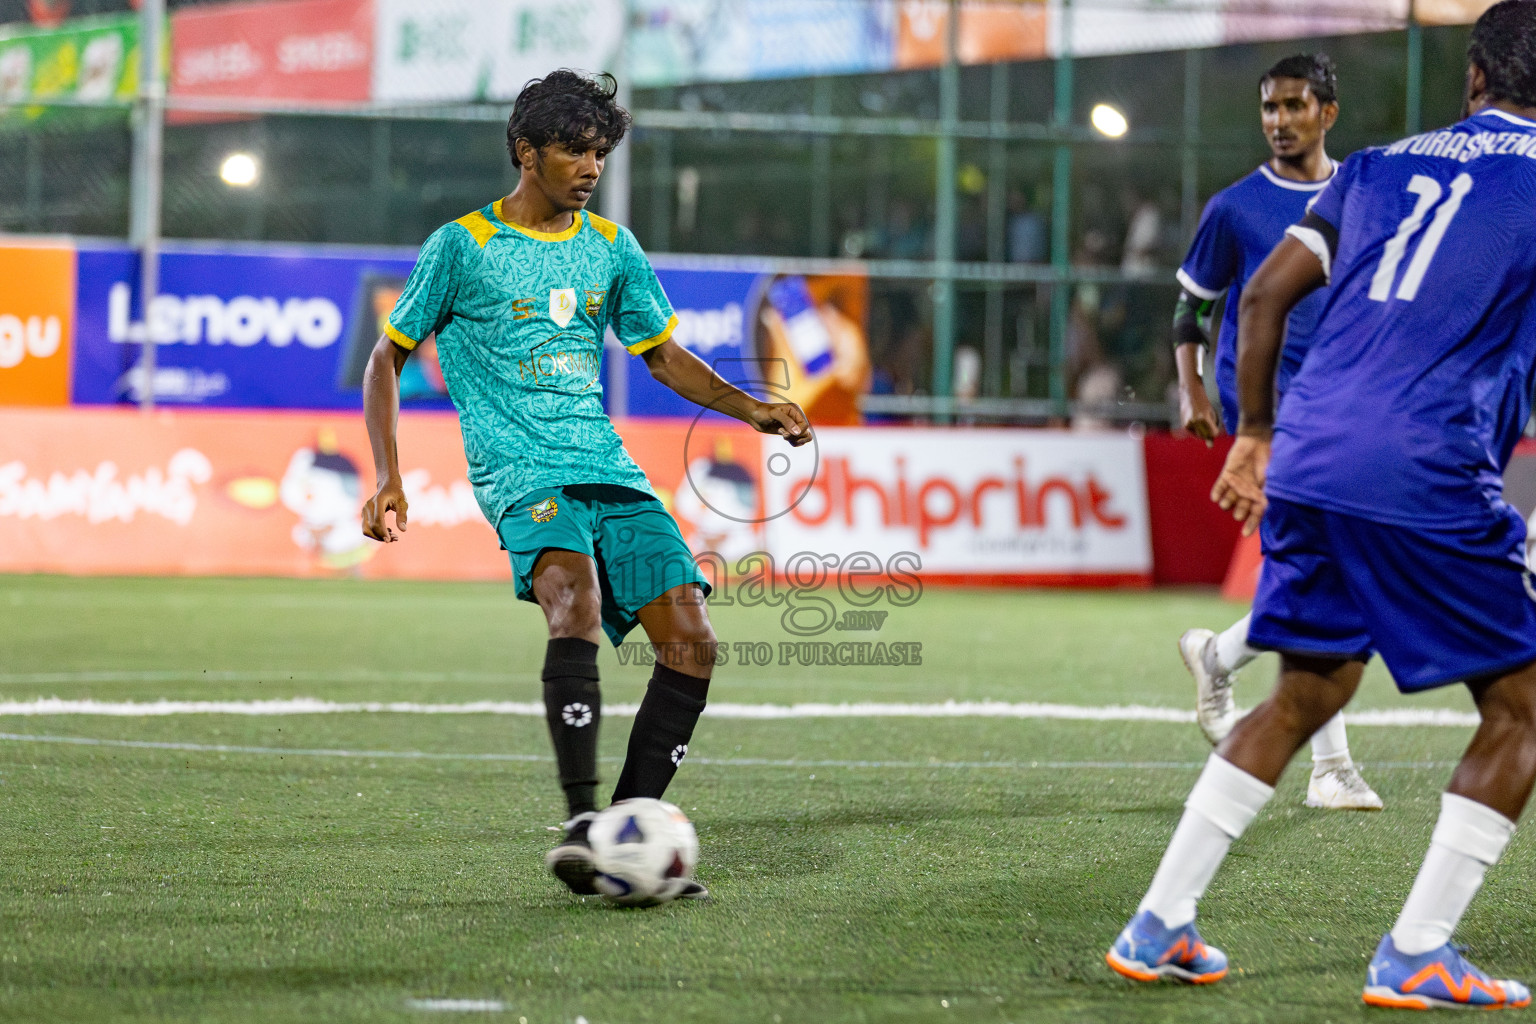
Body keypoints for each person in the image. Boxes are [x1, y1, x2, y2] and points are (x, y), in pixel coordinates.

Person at [1108, 2, 1536, 1006]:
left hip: (1309, 451)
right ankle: (1418, 949)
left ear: (1473, 79)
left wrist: (1254, 434)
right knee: (1521, 712)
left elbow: (1259, 299)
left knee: (1305, 692)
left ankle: (1159, 922)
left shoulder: (1373, 170)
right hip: (1425, 464)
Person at [359, 70, 812, 899]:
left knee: (693, 642)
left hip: (608, 467)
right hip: (520, 467)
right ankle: (578, 821)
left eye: (599, 151)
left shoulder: (612, 248)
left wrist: (752, 409)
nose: (592, 165)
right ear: (527, 154)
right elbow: (386, 357)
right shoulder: (461, 246)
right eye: (575, 149)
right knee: (575, 598)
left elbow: (665, 355)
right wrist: (389, 475)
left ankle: (624, 831)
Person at [1171, 53, 1381, 811]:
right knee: (1325, 566)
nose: (1279, 121)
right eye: (1269, 108)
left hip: (1346, 404)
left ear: (1328, 111)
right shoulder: (1235, 207)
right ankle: (1331, 768)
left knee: (1335, 572)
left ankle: (1218, 653)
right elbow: (1192, 307)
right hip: (1270, 411)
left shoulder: (1366, 193)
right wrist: (1193, 388)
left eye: (1295, 106)